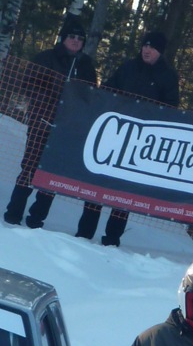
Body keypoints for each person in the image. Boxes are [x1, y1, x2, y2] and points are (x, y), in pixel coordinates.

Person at [77, 30, 181, 247]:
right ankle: (84, 233)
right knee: (99, 184)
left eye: (152, 47)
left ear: (160, 52)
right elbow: (107, 90)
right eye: (145, 45)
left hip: (140, 143)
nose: (147, 50)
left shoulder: (168, 77)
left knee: (123, 193)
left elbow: (171, 110)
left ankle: (112, 239)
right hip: (114, 135)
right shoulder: (128, 68)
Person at [3, 14, 98, 230]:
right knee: (30, 168)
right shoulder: (46, 58)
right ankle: (13, 214)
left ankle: (36, 219)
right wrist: (51, 95)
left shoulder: (85, 66)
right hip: (42, 121)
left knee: (53, 174)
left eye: (80, 38)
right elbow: (28, 84)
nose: (75, 41)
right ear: (63, 38)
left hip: (67, 129)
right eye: (72, 37)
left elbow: (91, 96)